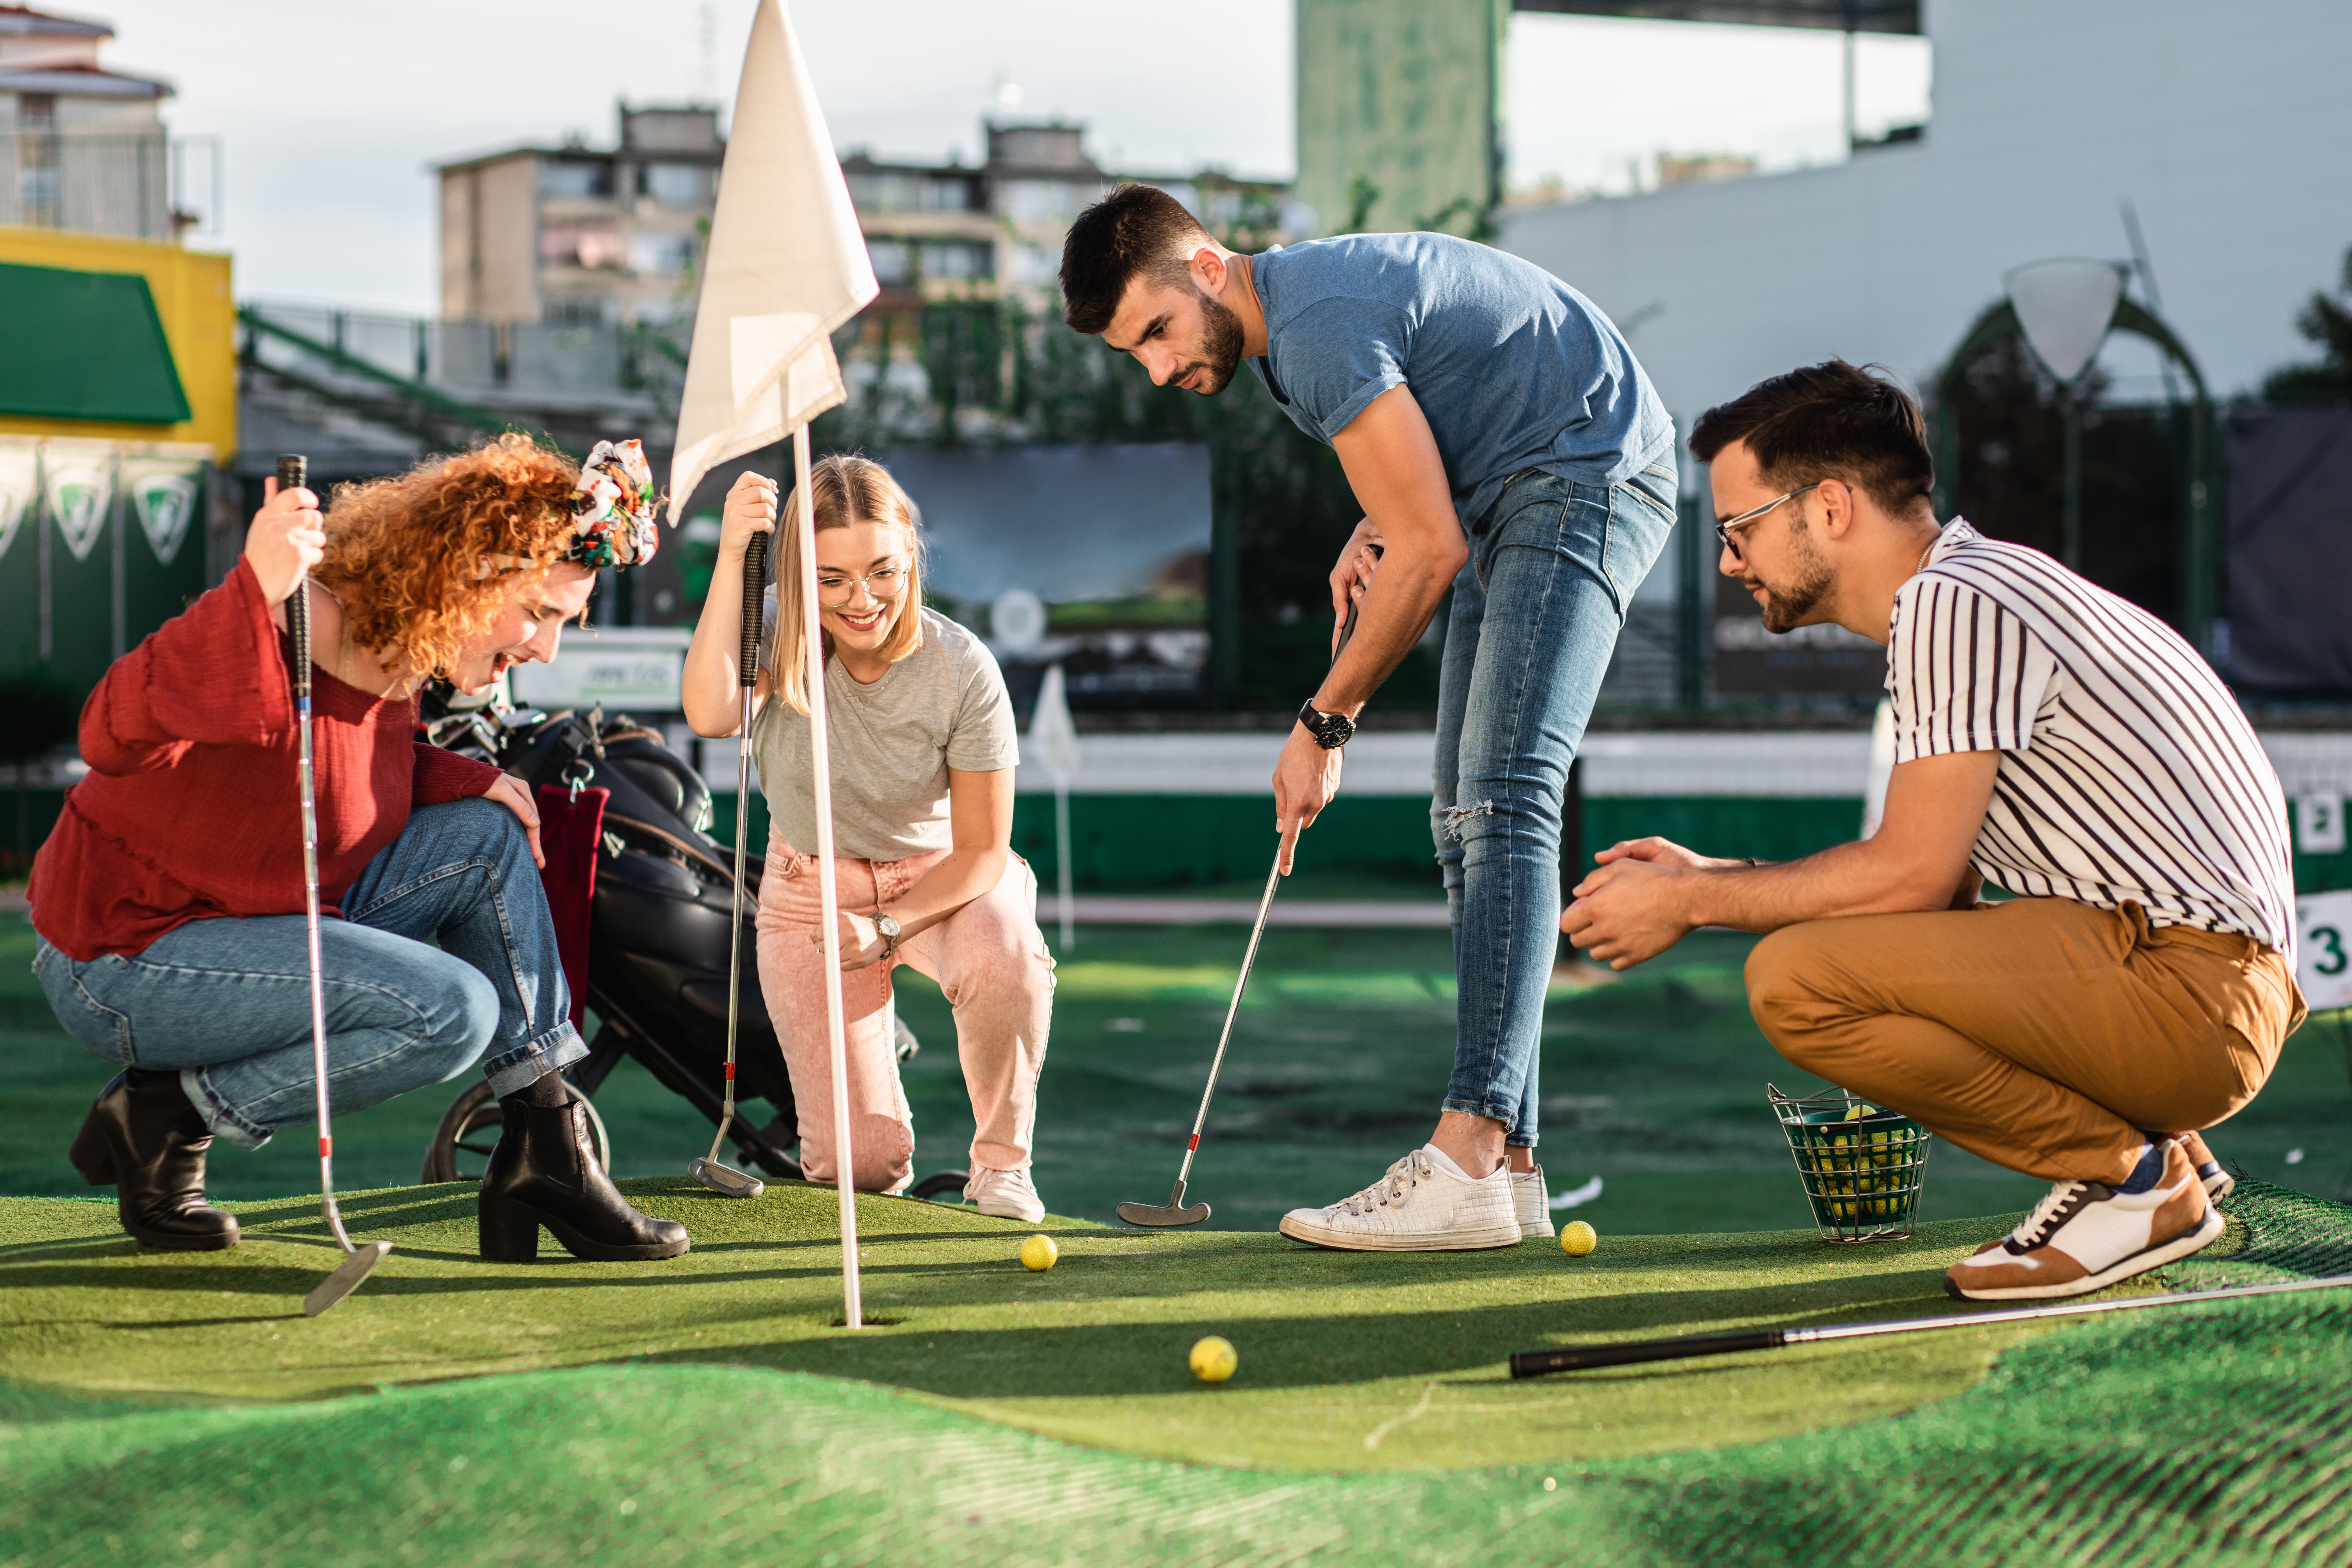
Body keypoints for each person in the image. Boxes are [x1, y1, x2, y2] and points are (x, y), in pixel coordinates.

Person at [1563, 362, 2302, 1300]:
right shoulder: (1981, 587)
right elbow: (1935, 894)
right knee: (1846, 949)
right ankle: (2166, 1156)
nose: (1729, 564)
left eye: (1738, 529)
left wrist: (1694, 900)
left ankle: (2134, 1180)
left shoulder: (1952, 603)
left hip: (2193, 999)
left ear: (1831, 507)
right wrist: (1714, 874)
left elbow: (1909, 879)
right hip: (2200, 984)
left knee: (1796, 981)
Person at [1059, 185, 1677, 1249]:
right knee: (1464, 819)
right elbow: (1425, 464)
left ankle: (1469, 1150)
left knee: (1504, 800)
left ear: (1206, 268)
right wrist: (1374, 519)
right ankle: (1511, 1167)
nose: (1158, 371)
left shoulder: (1314, 328)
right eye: (1135, 355)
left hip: (1583, 469)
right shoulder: (1285, 334)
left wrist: (1324, 725)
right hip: (1515, 483)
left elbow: (1430, 552)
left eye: (1156, 332)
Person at [29, 434, 690, 1264]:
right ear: (470, 572)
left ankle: (547, 1145)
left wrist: (466, 778)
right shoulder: (289, 620)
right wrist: (251, 590)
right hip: (124, 958)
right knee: (452, 1010)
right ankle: (165, 1114)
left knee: (487, 837)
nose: (547, 648)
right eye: (539, 612)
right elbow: (108, 729)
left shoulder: (401, 650)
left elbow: (332, 766)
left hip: (254, 917)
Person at [681, 454, 1055, 1221]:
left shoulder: (963, 666)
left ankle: (1003, 1168)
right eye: (832, 579)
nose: (862, 600)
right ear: (798, 576)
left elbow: (984, 851)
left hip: (946, 877)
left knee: (1006, 954)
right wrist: (733, 557)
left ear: (911, 552)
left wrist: (886, 926)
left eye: (882, 571)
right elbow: (712, 713)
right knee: (861, 1166)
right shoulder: (774, 630)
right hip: (809, 889)